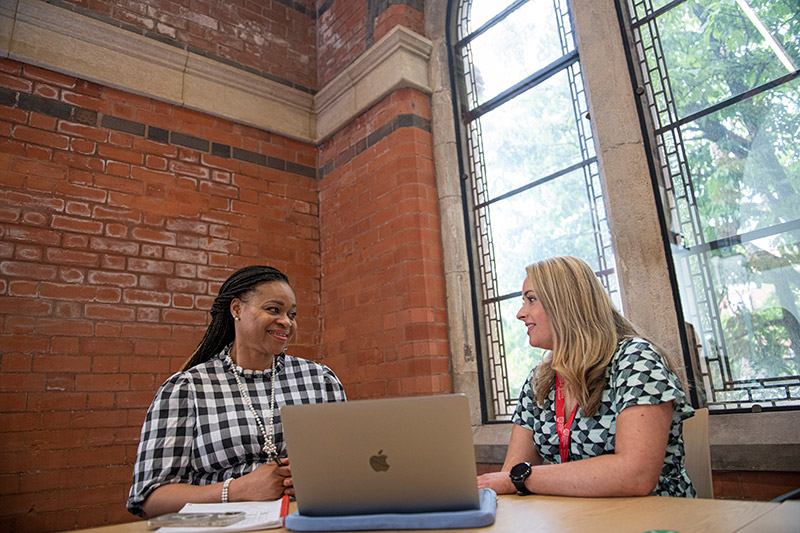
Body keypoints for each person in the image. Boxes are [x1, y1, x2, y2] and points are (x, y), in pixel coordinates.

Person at [127, 266, 346, 518]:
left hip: (308, 521)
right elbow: (149, 498)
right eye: (273, 309)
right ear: (236, 309)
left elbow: (345, 467)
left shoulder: (320, 380)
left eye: (292, 314)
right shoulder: (187, 389)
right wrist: (236, 489)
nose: (286, 321)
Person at [478, 256, 696, 498]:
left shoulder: (635, 359)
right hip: (578, 518)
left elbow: (636, 475)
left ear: (565, 303)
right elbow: (511, 476)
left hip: (656, 518)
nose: (520, 313)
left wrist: (525, 478)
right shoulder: (539, 380)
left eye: (531, 300)